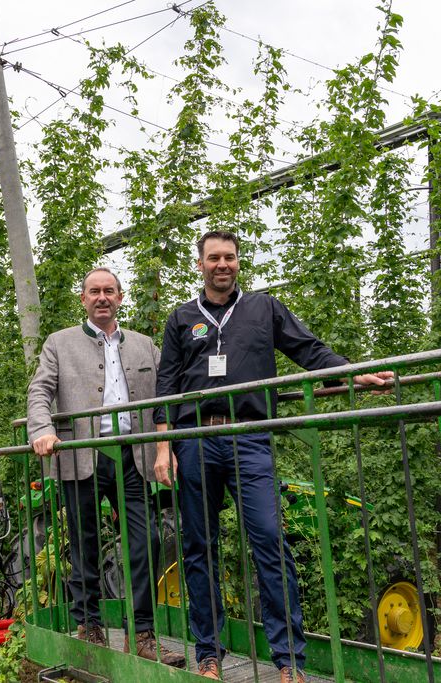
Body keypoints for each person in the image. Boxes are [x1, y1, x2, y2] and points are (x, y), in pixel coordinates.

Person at [152, 231, 391, 682]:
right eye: (213, 258)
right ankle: (208, 652)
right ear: (199, 264)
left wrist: (355, 374)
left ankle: (288, 662)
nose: (222, 265)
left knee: (268, 541)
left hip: (251, 438)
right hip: (195, 439)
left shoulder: (264, 308)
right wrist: (164, 448)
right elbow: (166, 385)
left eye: (230, 258)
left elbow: (309, 350)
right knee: (199, 547)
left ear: (239, 263)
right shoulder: (182, 318)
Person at [27, 267, 185, 668]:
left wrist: (168, 443)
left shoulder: (145, 345)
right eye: (94, 291)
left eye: (109, 291)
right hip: (81, 455)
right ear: (83, 299)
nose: (102, 297)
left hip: (132, 455)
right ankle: (90, 625)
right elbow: (40, 390)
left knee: (146, 538)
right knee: (84, 541)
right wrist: (42, 429)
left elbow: (169, 390)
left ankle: (143, 634)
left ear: (120, 298)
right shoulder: (59, 343)